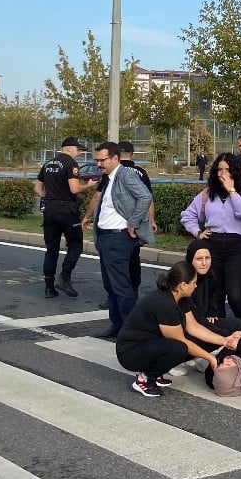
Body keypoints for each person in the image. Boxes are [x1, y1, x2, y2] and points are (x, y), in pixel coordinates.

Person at [180, 152, 241, 334]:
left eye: (227, 170)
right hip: (212, 244)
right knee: (216, 294)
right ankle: (221, 334)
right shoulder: (208, 194)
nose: (222, 173)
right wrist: (197, 232)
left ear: (235, 172)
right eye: (219, 169)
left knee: (236, 296)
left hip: (236, 246)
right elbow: (187, 215)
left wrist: (231, 190)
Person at [84, 142, 154, 339]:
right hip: (106, 238)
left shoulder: (125, 174)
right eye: (96, 160)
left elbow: (145, 196)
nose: (99, 164)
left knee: (122, 287)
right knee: (111, 286)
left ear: (115, 158)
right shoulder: (109, 177)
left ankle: (131, 330)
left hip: (118, 238)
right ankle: (117, 325)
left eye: (102, 160)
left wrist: (133, 223)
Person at [116, 261, 211, 397]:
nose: (196, 286)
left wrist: (225, 340)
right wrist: (210, 358)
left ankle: (155, 374)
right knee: (179, 348)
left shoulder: (176, 297)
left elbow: (194, 328)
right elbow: (181, 341)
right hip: (130, 352)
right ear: (183, 285)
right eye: (194, 282)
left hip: (145, 344)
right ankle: (144, 379)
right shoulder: (165, 304)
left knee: (178, 346)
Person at [34, 137, 96, 299]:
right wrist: (88, 186)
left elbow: (37, 187)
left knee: (51, 250)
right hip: (68, 212)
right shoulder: (70, 164)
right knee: (76, 245)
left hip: (50, 211)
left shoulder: (48, 164)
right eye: (78, 149)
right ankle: (65, 277)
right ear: (69, 148)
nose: (80, 152)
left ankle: (49, 288)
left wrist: (49, 198)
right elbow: (74, 189)